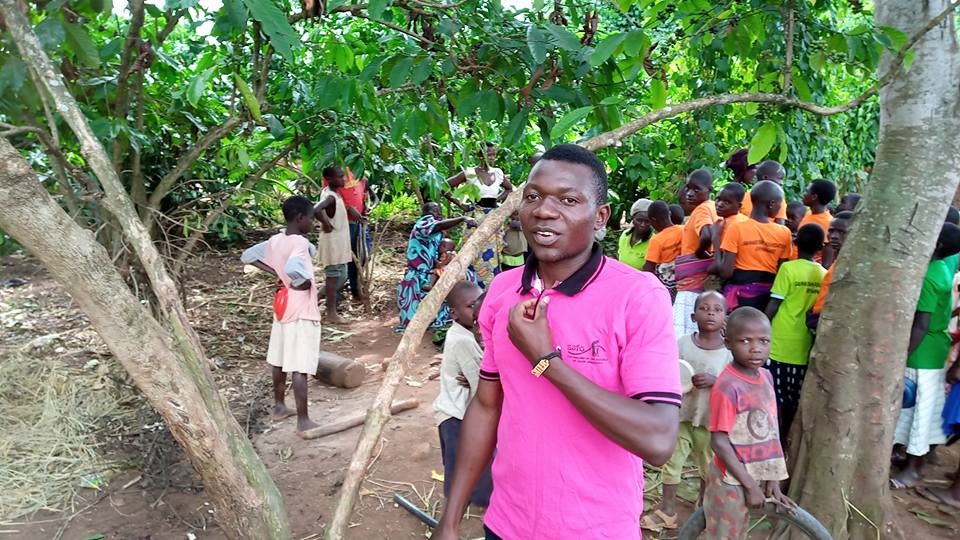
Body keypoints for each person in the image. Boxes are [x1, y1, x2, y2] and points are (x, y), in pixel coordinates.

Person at [434, 144, 681, 540]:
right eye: (533, 197)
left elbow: (658, 439)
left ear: (600, 217)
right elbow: (486, 405)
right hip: (506, 522)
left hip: (595, 530)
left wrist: (547, 360)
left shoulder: (637, 296)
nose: (544, 211)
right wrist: (450, 518)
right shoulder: (501, 291)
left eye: (568, 200)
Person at [641, 291, 731, 532]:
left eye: (717, 310)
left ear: (725, 318)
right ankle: (668, 510)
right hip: (681, 416)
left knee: (708, 467)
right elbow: (667, 370)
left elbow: (734, 385)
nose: (710, 313)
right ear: (693, 316)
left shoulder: (729, 353)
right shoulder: (681, 344)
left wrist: (715, 381)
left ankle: (703, 507)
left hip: (710, 421)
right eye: (704, 308)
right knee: (672, 462)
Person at [240, 196, 324, 438]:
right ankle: (303, 420)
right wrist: (301, 281)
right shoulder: (300, 242)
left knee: (279, 359)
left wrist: (277, 273)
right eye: (311, 219)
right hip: (300, 308)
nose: (313, 223)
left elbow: (248, 256)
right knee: (299, 365)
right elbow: (294, 268)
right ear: (300, 218)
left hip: (282, 304)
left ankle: (279, 406)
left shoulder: (275, 240)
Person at [705, 307, 793, 539]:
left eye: (763, 341)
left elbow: (770, 430)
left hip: (756, 473)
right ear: (728, 343)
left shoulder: (766, 377)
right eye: (745, 340)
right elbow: (719, 441)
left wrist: (772, 478)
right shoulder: (728, 387)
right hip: (731, 480)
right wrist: (750, 485)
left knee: (740, 532)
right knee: (726, 534)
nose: (756, 348)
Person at [890, 223, 960, 489]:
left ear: (937, 244)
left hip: (922, 351)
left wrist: (901, 356)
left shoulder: (929, 276)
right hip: (933, 347)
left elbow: (921, 324)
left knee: (919, 410)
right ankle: (909, 459)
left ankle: (914, 469)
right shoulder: (940, 267)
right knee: (919, 409)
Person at [764, 224, 827, 444]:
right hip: (803, 344)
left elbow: (774, 304)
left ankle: (773, 438)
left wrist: (761, 330)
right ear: (821, 248)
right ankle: (785, 438)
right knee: (793, 398)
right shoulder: (823, 274)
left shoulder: (788, 269)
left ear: (795, 243)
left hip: (780, 341)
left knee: (774, 395)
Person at [433, 280, 493, 507]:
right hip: (458, 415)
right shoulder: (462, 340)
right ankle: (460, 506)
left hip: (461, 411)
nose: (478, 310)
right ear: (454, 313)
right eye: (470, 306)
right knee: (463, 461)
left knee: (463, 461)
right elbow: (482, 387)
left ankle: (464, 501)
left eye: (480, 303)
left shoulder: (467, 333)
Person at [396, 203, 476, 332]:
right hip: (420, 273)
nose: (438, 213)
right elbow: (437, 225)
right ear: (427, 212)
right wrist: (463, 218)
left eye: (439, 211)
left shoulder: (436, 232)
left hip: (430, 271)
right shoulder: (423, 224)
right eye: (435, 210)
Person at [445, 142, 515, 287]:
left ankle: (490, 289)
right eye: (489, 155)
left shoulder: (498, 173)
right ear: (479, 155)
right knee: (474, 253)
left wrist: (497, 200)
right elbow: (444, 186)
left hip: (493, 219)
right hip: (476, 218)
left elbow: (509, 189)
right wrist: (460, 204)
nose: (492, 158)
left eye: (494, 154)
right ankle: (471, 288)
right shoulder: (470, 173)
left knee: (492, 254)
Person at [716, 181, 792, 311]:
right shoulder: (784, 233)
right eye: (780, 204)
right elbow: (782, 271)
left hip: (740, 297)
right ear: (771, 203)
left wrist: (715, 239)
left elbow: (726, 272)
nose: (780, 208)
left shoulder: (737, 228)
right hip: (768, 299)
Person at [674, 169, 718, 336]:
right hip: (703, 281)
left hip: (692, 283)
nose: (690, 193)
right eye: (688, 188)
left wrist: (700, 252)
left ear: (709, 190)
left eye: (696, 189)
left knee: (683, 331)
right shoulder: (713, 207)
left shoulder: (702, 210)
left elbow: (706, 234)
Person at [315, 167, 352, 324]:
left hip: (338, 242)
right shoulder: (330, 197)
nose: (344, 179)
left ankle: (313, 300)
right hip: (333, 243)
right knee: (334, 277)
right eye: (340, 177)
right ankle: (331, 313)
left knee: (341, 276)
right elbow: (316, 209)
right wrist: (326, 224)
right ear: (329, 179)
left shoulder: (332, 194)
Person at [808, 211, 854, 328]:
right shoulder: (838, 261)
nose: (834, 236)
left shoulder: (851, 265)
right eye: (831, 231)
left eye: (841, 232)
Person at [337, 167, 375, 300]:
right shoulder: (336, 170)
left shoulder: (359, 168)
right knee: (346, 259)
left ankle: (356, 287)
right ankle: (344, 291)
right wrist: (347, 208)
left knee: (363, 255)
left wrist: (367, 207)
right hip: (345, 223)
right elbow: (331, 194)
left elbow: (366, 193)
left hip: (359, 222)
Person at [643, 201, 684, 299]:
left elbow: (649, 268)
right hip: (683, 280)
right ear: (669, 213)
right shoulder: (684, 230)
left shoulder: (656, 240)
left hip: (666, 284)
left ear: (653, 220)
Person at [739, 160, 787, 224]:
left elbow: (780, 224)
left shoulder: (779, 199)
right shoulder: (743, 197)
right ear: (765, 177)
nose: (782, 183)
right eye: (780, 178)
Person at [801, 179, 836, 265]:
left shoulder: (829, 223)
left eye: (806, 191)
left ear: (814, 197)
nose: (803, 194)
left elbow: (826, 263)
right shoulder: (808, 213)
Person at [618, 198, 654, 270]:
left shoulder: (654, 241)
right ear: (633, 219)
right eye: (639, 220)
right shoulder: (625, 235)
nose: (642, 225)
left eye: (647, 221)